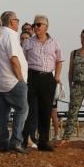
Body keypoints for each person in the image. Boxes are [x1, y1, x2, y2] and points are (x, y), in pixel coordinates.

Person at [22, 15, 63, 152]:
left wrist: (56, 77)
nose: (36, 27)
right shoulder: (28, 42)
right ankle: (25, 140)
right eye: (35, 25)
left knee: (46, 111)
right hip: (32, 77)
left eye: (39, 24)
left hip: (47, 79)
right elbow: (23, 60)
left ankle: (43, 142)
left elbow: (59, 61)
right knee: (30, 110)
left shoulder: (55, 43)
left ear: (46, 27)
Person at [0, 11, 29, 153]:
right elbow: (13, 59)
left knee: (3, 113)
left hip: (0, 81)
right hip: (13, 81)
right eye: (17, 20)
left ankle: (3, 143)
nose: (18, 23)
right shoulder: (10, 35)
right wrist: (21, 79)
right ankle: (16, 141)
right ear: (12, 21)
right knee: (22, 109)